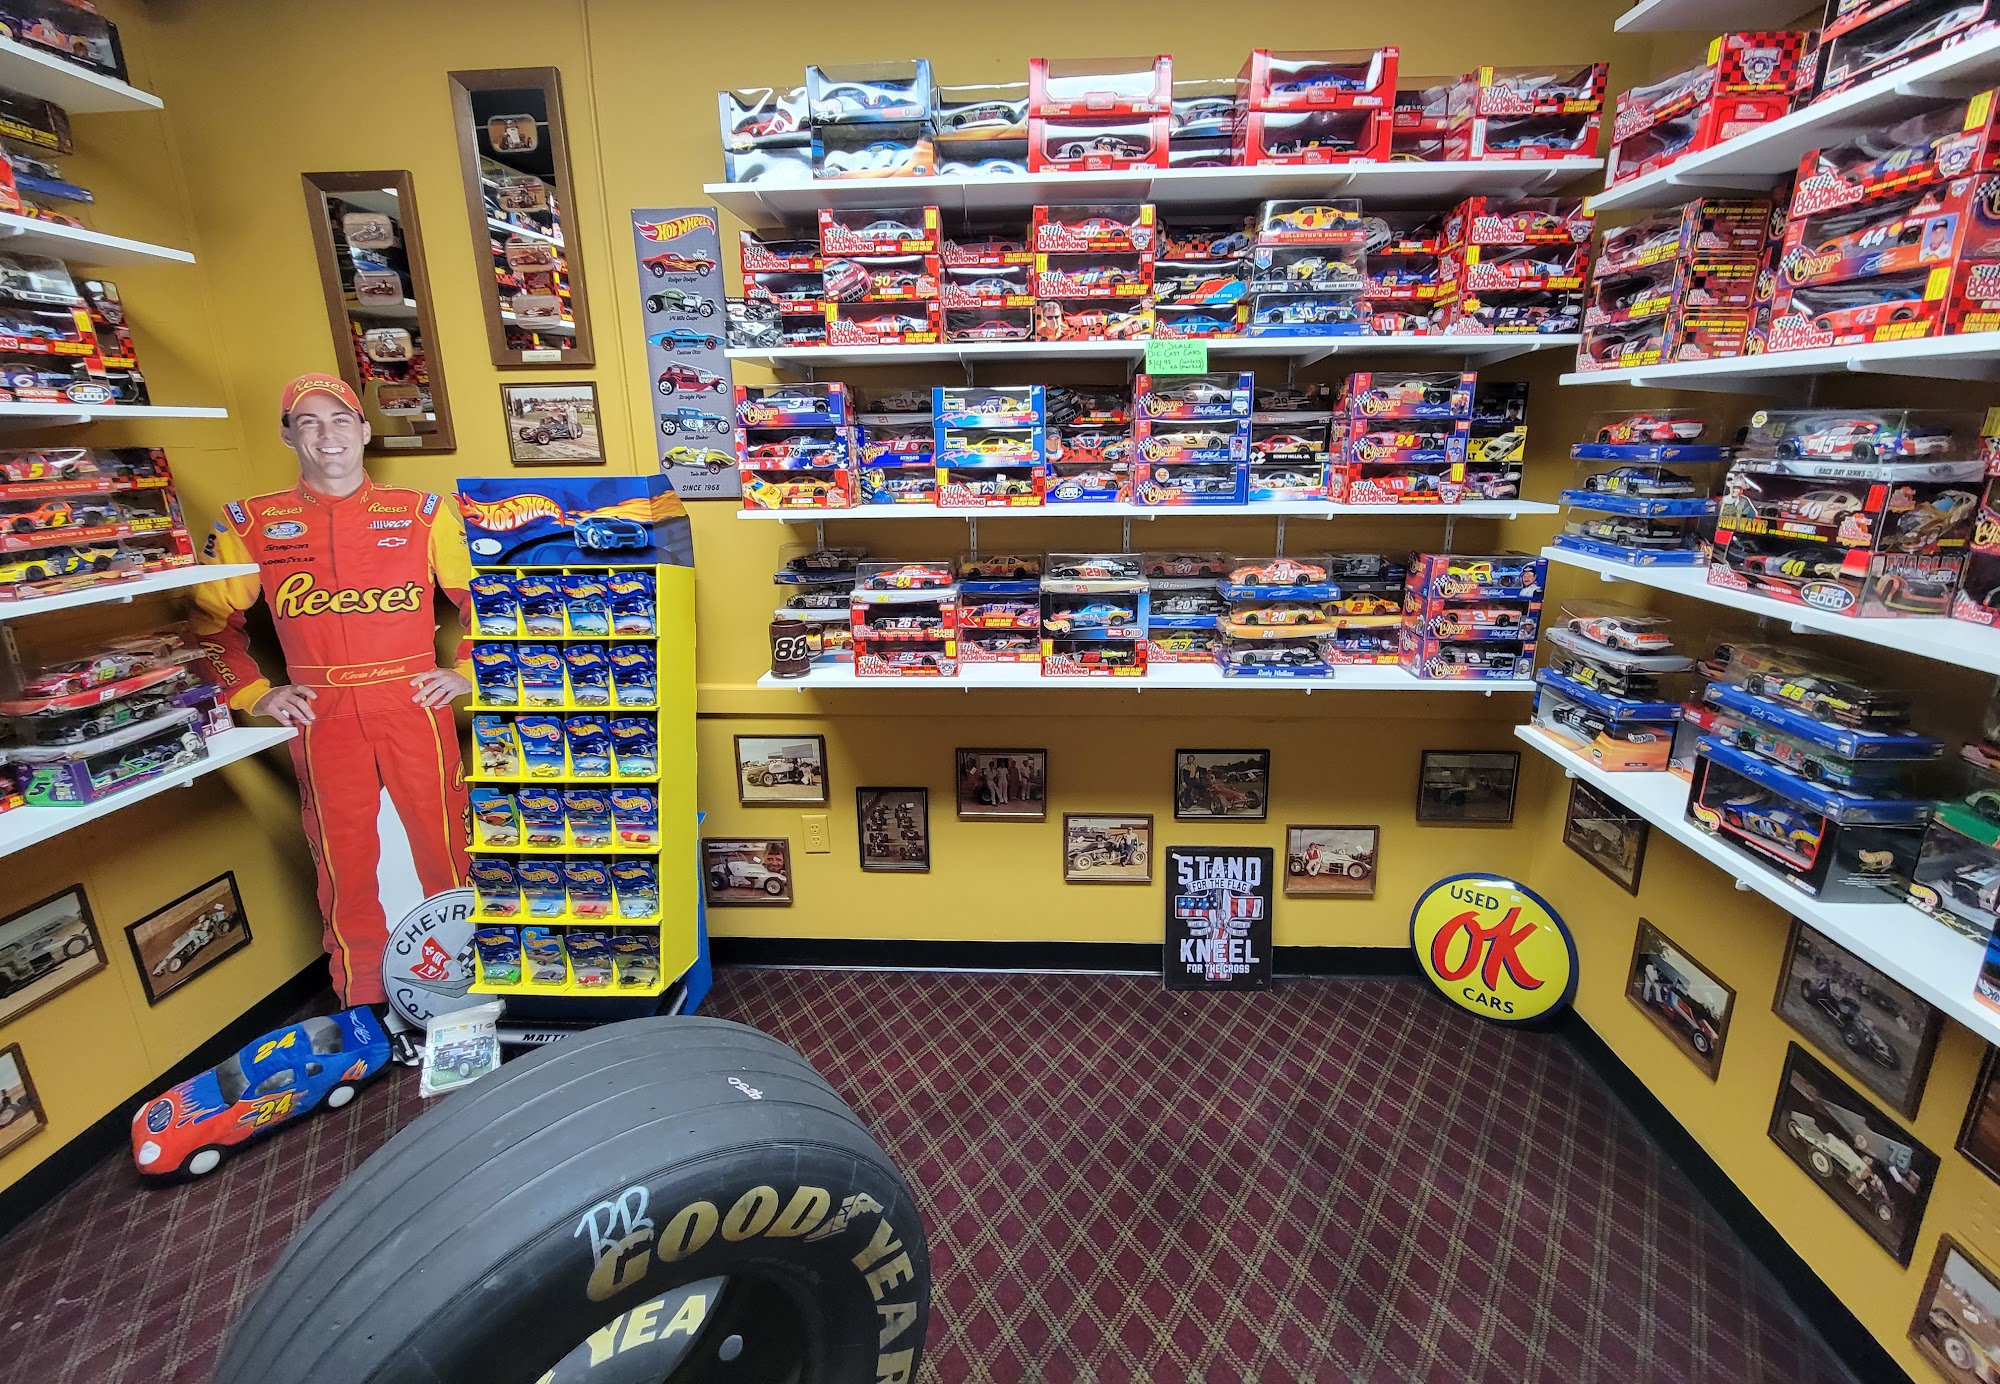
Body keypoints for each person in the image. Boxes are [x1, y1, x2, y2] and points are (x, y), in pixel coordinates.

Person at [191, 373, 475, 1010]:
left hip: (412, 704)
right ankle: (362, 998)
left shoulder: (424, 512)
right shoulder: (250, 521)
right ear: (288, 436)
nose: (327, 435)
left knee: (447, 846)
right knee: (343, 861)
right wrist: (254, 692)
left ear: (365, 430)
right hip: (322, 716)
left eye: (340, 419)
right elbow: (206, 624)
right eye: (309, 422)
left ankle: (468, 985)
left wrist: (467, 671)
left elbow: (485, 598)